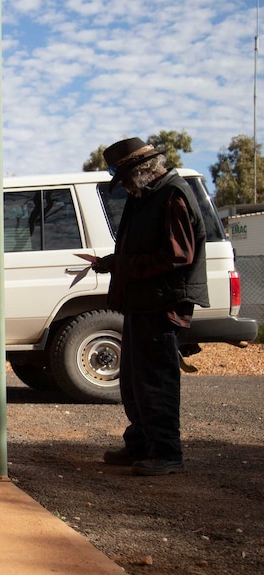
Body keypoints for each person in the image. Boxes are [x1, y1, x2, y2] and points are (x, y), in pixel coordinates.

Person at [93, 137, 209, 475]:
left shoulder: (172, 194)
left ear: (142, 170)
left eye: (125, 178)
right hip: (142, 302)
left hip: (162, 304)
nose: (125, 186)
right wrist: (114, 262)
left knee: (156, 381)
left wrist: (124, 265)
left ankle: (167, 453)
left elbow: (177, 255)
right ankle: (141, 444)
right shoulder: (147, 195)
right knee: (133, 381)